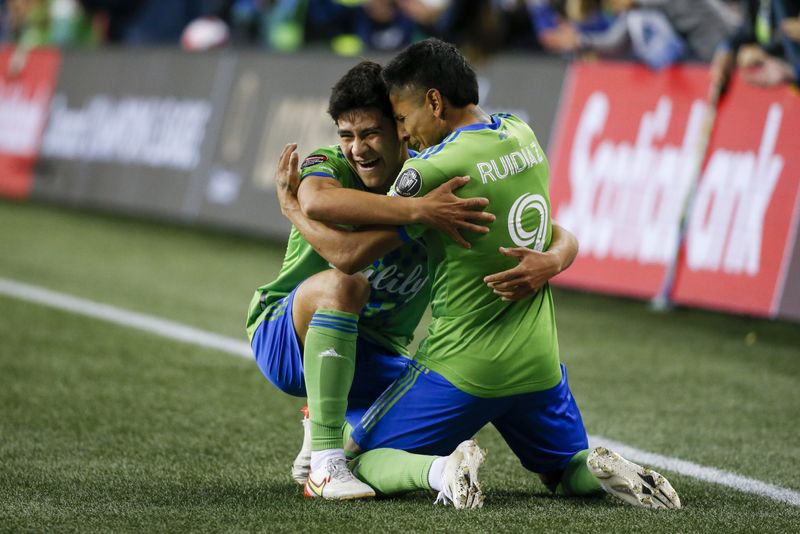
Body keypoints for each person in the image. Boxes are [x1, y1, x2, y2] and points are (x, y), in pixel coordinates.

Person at [275, 38, 681, 510]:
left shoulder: (432, 170)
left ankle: (442, 470)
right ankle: (601, 470)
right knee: (561, 468)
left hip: (462, 369)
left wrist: (293, 206)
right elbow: (555, 232)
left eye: (403, 119)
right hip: (540, 366)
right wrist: (555, 259)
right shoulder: (521, 135)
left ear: (434, 101)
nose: (404, 135)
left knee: (356, 459)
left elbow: (339, 231)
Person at [248, 60, 579, 500]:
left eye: (371, 133)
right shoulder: (330, 164)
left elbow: (550, 228)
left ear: (399, 128)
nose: (357, 149)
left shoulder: (433, 172)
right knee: (345, 286)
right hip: (289, 335)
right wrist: (417, 211)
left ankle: (333, 430)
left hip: (378, 353)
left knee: (408, 414)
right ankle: (325, 467)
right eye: (346, 135)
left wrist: (553, 259)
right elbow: (319, 210)